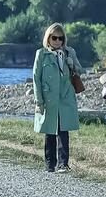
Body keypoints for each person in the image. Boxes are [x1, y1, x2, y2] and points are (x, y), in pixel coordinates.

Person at [33, 23, 83, 173]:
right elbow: (36, 78)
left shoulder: (69, 52)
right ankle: (49, 163)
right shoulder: (41, 54)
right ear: (48, 38)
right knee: (50, 131)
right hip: (49, 98)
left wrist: (72, 64)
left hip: (65, 97)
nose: (57, 41)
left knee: (64, 130)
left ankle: (63, 163)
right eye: (54, 38)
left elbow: (81, 71)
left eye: (60, 38)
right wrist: (39, 101)